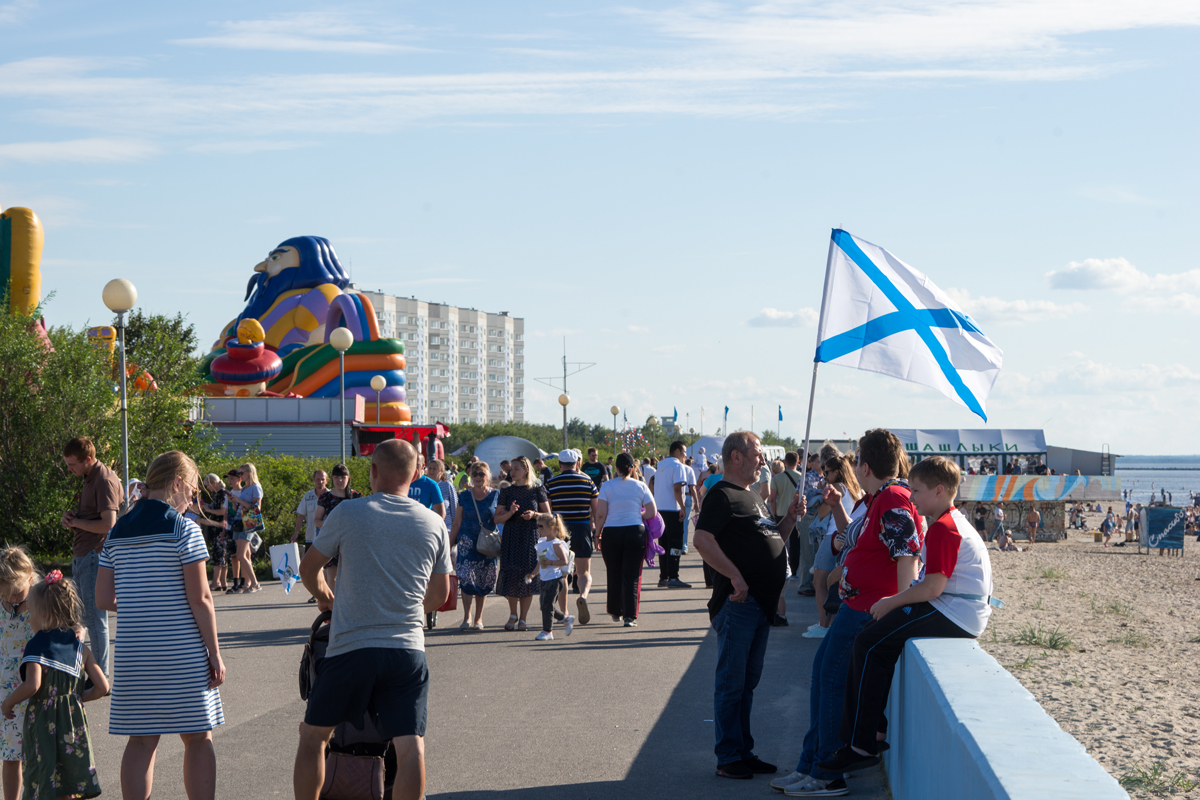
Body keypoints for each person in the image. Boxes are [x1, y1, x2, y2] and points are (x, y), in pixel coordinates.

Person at [295, 439, 452, 800]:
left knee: (314, 737)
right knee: (411, 747)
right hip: (406, 649)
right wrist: (406, 607)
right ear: (415, 475)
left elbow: (309, 568)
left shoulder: (349, 513)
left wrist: (325, 598)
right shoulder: (432, 523)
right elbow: (440, 596)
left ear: (373, 471)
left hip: (351, 647)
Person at [817, 456, 994, 776]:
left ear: (939, 491)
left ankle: (861, 744)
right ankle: (872, 732)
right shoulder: (952, 519)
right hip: (962, 608)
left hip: (955, 612)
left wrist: (891, 601)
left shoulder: (943, 528)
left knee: (868, 641)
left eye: (917, 491)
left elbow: (933, 588)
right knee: (873, 643)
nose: (911, 497)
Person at [779, 429, 923, 798]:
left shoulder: (891, 496)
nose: (854, 466)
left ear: (866, 465)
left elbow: (906, 549)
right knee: (823, 681)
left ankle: (827, 774)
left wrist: (900, 603)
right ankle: (812, 764)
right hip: (855, 606)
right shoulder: (880, 497)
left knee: (830, 685)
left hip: (866, 609)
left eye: (857, 459)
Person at [96, 450, 225, 800]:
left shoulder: (117, 531)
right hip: (181, 652)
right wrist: (214, 653)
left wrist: (142, 606)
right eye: (193, 491)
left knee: (140, 740)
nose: (193, 500)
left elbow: (103, 599)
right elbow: (201, 599)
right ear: (178, 483)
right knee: (198, 736)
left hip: (134, 653)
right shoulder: (184, 529)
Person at [693, 431, 806, 780]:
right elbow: (701, 539)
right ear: (736, 457)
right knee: (732, 682)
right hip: (739, 602)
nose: (762, 460)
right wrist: (735, 577)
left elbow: (771, 541)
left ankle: (743, 750)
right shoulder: (722, 495)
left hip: (758, 605)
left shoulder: (753, 497)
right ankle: (728, 756)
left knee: (746, 682)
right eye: (757, 454)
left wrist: (788, 519)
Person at [2, 571, 109, 800]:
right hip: (73, 723)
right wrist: (74, 697)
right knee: (69, 776)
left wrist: (8, 702)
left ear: (44, 614)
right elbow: (102, 687)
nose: (29, 619)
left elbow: (32, 685)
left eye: (31, 613)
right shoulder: (80, 647)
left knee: (45, 774)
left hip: (43, 724)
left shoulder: (36, 645)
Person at [60, 436, 122, 676]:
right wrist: (73, 518)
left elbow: (109, 524)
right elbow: (94, 518)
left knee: (94, 619)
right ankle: (94, 674)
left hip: (94, 555)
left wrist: (76, 521)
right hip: (85, 554)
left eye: (72, 464)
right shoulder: (90, 476)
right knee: (84, 617)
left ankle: (100, 676)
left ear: (88, 459)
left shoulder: (104, 479)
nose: (69, 468)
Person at [803, 456, 865, 640]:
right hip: (847, 538)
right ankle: (828, 623)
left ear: (836, 472)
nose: (824, 475)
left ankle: (824, 625)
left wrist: (822, 491)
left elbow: (822, 512)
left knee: (819, 582)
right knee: (835, 583)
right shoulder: (855, 489)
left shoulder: (836, 487)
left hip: (833, 536)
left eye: (827, 472)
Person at [596, 453, 658, 627]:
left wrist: (597, 535)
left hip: (611, 532)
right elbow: (652, 512)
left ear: (615, 468)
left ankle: (615, 611)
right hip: (635, 532)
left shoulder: (607, 486)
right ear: (632, 468)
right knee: (632, 575)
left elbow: (601, 514)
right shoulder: (641, 486)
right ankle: (630, 616)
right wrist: (639, 514)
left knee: (613, 572)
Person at [493, 456, 551, 631]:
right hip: (511, 536)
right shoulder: (506, 491)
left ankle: (523, 618)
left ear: (526, 470)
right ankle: (512, 614)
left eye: (516, 468)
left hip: (530, 536)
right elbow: (497, 518)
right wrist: (510, 512)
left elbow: (549, 517)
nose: (512, 472)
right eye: (511, 469)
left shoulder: (537, 489)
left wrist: (534, 515)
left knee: (528, 575)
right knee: (511, 574)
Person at [544, 449, 600, 624]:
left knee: (562, 573)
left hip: (560, 532)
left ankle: (565, 611)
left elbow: (548, 512)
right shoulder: (588, 481)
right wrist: (598, 532)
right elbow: (597, 510)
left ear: (560, 465)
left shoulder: (551, 484)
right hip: (582, 528)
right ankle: (582, 595)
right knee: (583, 572)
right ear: (577, 463)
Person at [0, 547, 37, 800]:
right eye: (6, 595)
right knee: (10, 758)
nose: (13, 601)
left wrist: (76, 632)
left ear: (31, 580)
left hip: (34, 695)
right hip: (6, 699)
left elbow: (67, 625)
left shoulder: (40, 605)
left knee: (38, 758)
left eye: (18, 594)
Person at [449, 462, 499, 630]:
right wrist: (449, 545)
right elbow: (456, 522)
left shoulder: (495, 495)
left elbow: (500, 519)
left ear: (488, 476)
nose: (478, 477)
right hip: (466, 544)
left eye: (481, 474)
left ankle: (479, 618)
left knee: (483, 581)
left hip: (487, 545)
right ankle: (467, 617)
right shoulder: (463, 495)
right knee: (465, 579)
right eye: (475, 473)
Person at [314, 464, 362, 595]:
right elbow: (316, 520)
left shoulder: (356, 497)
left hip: (352, 544)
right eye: (336, 477)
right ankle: (334, 609)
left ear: (348, 478)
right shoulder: (326, 498)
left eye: (343, 477)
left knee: (353, 579)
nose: (340, 481)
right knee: (332, 580)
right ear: (332, 479)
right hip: (332, 543)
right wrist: (329, 524)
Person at [653, 441, 691, 589]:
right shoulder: (678, 466)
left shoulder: (660, 467)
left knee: (663, 544)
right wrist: (682, 507)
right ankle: (674, 577)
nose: (685, 456)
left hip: (660, 510)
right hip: (673, 510)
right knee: (675, 544)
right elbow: (677, 489)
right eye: (684, 452)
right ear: (677, 451)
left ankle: (664, 576)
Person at [530, 514, 572, 641]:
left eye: (541, 527)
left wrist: (551, 563)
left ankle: (547, 631)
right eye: (537, 526)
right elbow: (540, 562)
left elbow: (564, 561)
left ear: (551, 528)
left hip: (555, 579)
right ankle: (566, 619)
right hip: (544, 578)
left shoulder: (556, 544)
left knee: (547, 605)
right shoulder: (542, 542)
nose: (539, 529)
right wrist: (532, 574)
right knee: (544, 606)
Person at [224, 461, 264, 594]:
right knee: (244, 554)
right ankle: (248, 583)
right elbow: (238, 508)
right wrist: (233, 502)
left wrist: (239, 500)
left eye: (242, 473)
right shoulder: (245, 489)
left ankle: (255, 583)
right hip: (239, 521)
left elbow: (256, 507)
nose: (240, 475)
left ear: (249, 473)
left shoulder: (255, 487)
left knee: (241, 555)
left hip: (249, 523)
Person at [292, 469, 327, 602]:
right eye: (318, 479)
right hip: (311, 537)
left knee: (327, 567)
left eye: (323, 479)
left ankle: (327, 591)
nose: (320, 482)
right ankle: (316, 593)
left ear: (327, 480)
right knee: (312, 567)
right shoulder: (308, 496)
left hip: (327, 537)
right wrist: (296, 532)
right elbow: (301, 515)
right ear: (313, 480)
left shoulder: (331, 496)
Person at [769, 453, 804, 579]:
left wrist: (773, 513)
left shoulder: (777, 478)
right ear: (798, 462)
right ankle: (794, 571)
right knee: (795, 543)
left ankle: (779, 566)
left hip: (780, 513)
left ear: (785, 462)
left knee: (779, 543)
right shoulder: (802, 477)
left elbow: (772, 499)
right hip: (796, 514)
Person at [193, 474, 229, 591]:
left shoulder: (223, 494)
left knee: (218, 555)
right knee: (221, 554)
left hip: (221, 526)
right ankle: (223, 582)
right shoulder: (215, 494)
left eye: (208, 485)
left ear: (214, 483)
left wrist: (209, 509)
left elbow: (223, 511)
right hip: (216, 527)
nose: (207, 488)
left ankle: (215, 582)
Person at [221, 469, 245, 593]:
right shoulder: (228, 493)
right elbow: (226, 512)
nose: (230, 481)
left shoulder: (244, 492)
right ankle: (235, 581)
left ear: (239, 479)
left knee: (243, 555)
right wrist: (224, 530)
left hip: (242, 527)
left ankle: (244, 581)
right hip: (231, 527)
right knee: (233, 556)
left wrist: (234, 502)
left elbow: (241, 511)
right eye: (229, 479)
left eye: (232, 478)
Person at [427, 460, 457, 525]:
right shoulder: (424, 484)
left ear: (442, 471)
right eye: (430, 468)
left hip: (446, 527)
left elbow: (454, 508)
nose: (431, 471)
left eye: (434, 469)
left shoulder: (447, 485)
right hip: (427, 526)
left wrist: (455, 528)